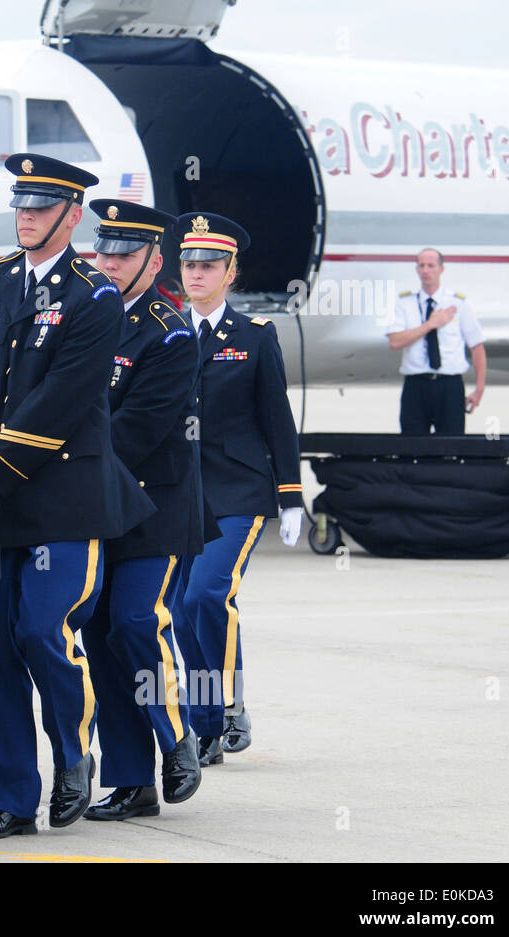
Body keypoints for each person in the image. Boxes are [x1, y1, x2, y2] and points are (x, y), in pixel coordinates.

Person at [0, 153, 155, 841]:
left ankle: (74, 751)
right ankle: (13, 797)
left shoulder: (93, 296)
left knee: (42, 630)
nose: (26, 216)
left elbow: (61, 401)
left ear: (72, 216)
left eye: (41, 206)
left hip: (62, 497)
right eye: (20, 204)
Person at [81, 199, 204, 821]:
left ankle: (178, 735)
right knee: (100, 639)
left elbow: (136, 430)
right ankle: (132, 781)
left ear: (155, 262)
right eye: (104, 251)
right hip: (95, 504)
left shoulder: (170, 331)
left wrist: (59, 459)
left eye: (124, 254)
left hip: (153, 507)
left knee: (135, 622)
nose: (109, 263)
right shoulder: (85, 318)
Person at [170, 213, 302, 766]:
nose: (197, 274)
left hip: (238, 489)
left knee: (205, 594)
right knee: (179, 613)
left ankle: (229, 704)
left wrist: (291, 494)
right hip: (179, 493)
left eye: (209, 265)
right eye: (189, 264)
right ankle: (205, 725)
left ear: (230, 273)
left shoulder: (254, 336)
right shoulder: (165, 332)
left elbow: (277, 419)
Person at [386, 248, 486, 435]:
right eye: (421, 266)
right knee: (412, 445)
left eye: (431, 266)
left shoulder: (458, 303)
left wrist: (479, 389)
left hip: (449, 385)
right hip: (416, 385)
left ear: (441, 269)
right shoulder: (404, 303)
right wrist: (430, 325)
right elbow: (395, 342)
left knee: (452, 446)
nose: (426, 270)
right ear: (416, 269)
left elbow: (477, 346)